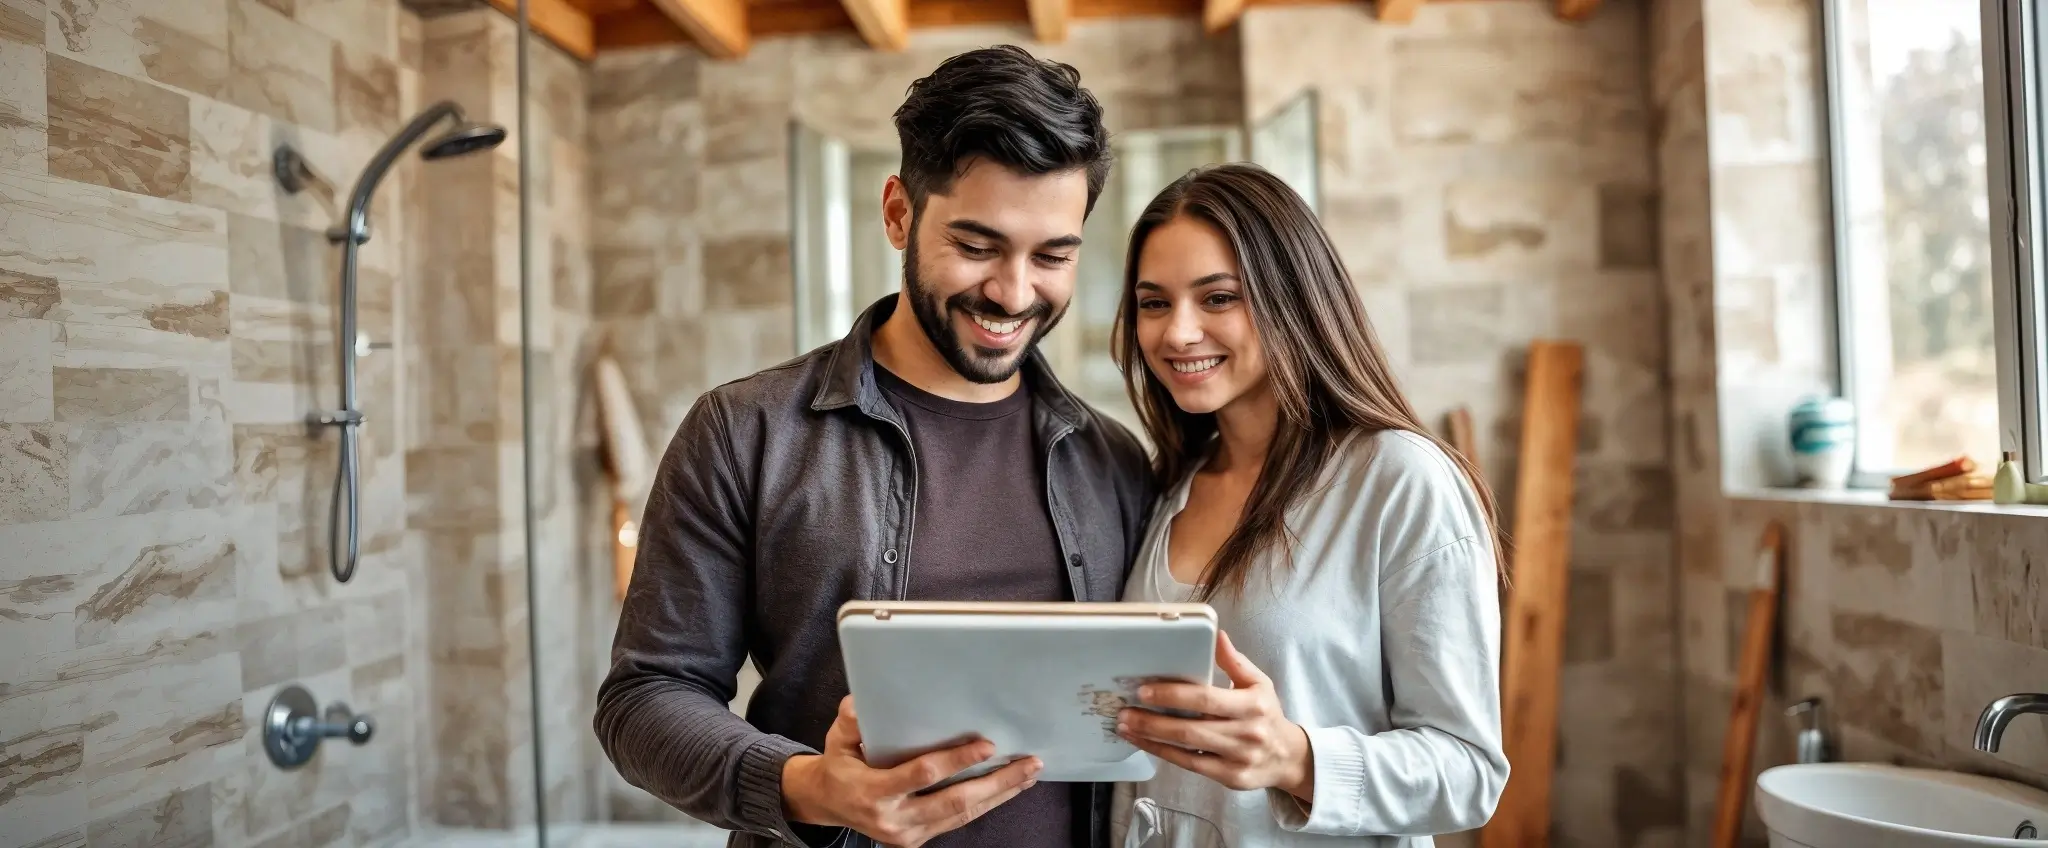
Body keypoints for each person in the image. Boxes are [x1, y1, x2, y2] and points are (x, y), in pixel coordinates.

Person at [593, 46, 1154, 848]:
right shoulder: (745, 431)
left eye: (1053, 255)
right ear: (898, 212)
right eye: (978, 245)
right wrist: (810, 788)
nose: (1014, 291)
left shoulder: (1116, 461)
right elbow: (644, 699)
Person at [1106, 163, 1511, 847]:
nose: (1176, 334)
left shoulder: (1399, 480)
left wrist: (1294, 757)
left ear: (1290, 298)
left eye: (1218, 298)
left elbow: (1468, 773)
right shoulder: (1168, 484)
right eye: (1153, 303)